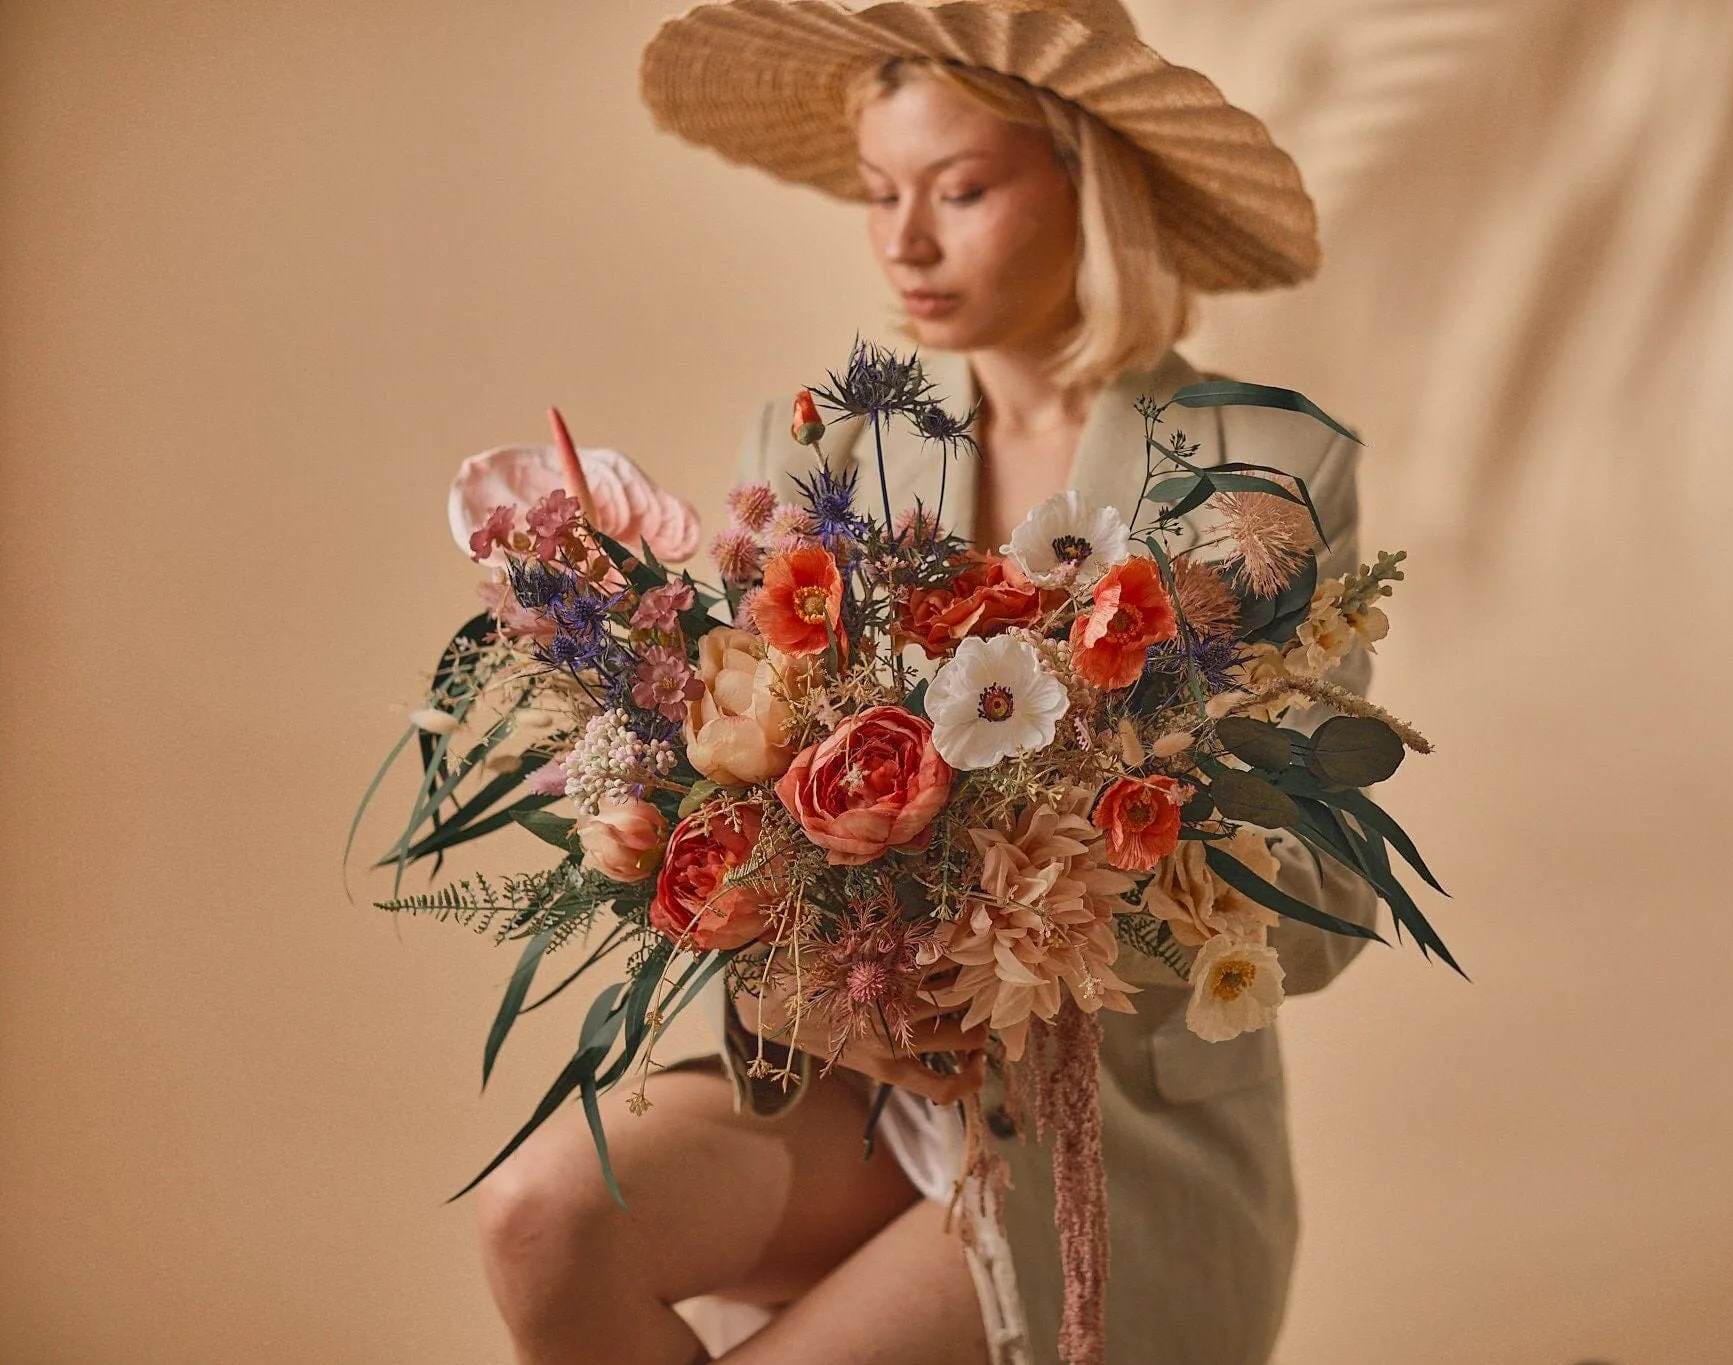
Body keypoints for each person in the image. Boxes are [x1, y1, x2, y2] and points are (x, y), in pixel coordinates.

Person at [474, 3, 1378, 1361]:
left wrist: (1029, 927)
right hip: (848, 1091)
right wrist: (819, 976)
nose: (905, 240)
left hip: (1116, 1127)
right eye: (880, 192)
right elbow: (735, 780)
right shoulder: (829, 448)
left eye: (960, 190)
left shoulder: (1258, 467)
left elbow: (1322, 901)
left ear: (1088, 180)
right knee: (540, 1222)